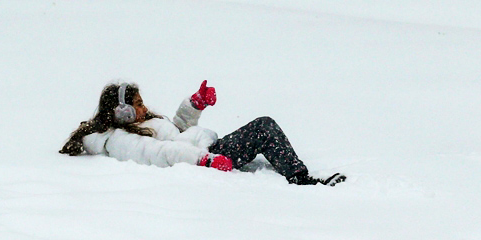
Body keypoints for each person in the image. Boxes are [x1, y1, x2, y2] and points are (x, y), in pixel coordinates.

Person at [60, 81, 346, 186]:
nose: (144, 107)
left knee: (262, 128)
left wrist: (194, 105)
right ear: (122, 112)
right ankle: (300, 178)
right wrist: (205, 160)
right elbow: (162, 153)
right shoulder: (120, 140)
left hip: (207, 150)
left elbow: (177, 133)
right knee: (264, 126)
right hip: (208, 155)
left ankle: (295, 172)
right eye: (137, 104)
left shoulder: (141, 125)